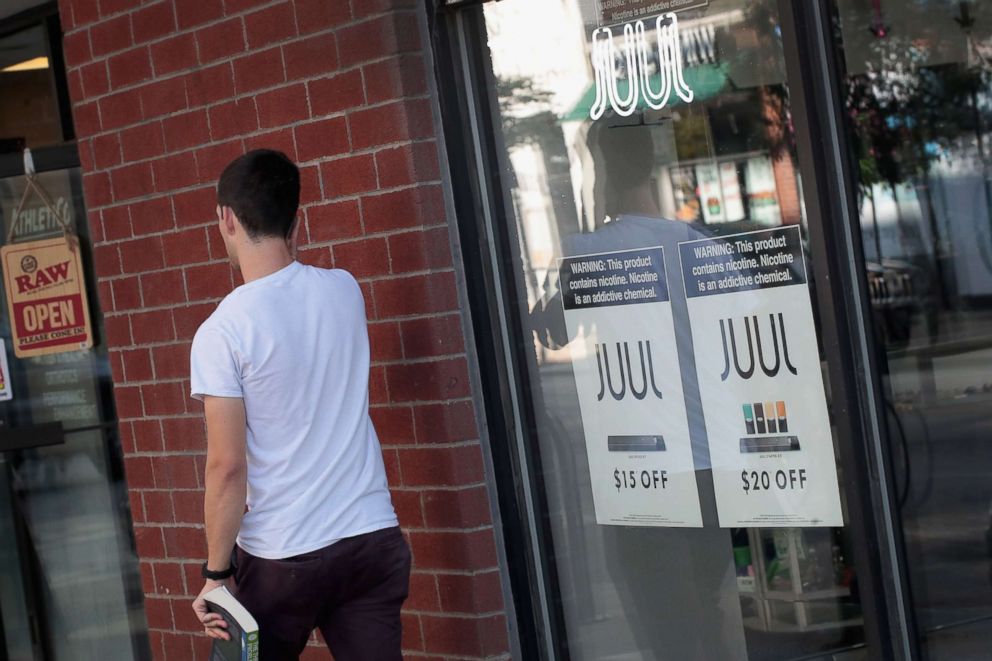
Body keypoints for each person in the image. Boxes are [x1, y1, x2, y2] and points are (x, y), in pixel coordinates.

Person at [189, 149, 409, 661]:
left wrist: (216, 575)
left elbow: (226, 466)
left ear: (226, 219)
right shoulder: (344, 291)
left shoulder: (222, 332)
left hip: (285, 556)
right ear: (297, 221)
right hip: (370, 539)